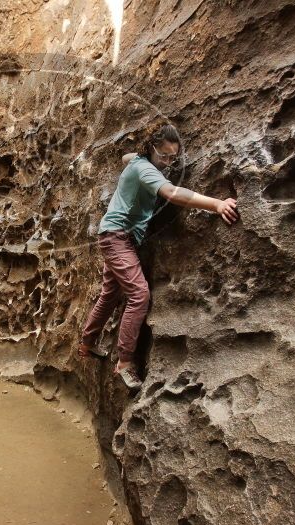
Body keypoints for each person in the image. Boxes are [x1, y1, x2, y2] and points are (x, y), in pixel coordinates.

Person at [78, 124, 238, 389]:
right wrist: (217, 204)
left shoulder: (137, 161)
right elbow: (172, 193)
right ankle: (125, 363)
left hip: (115, 235)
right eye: (163, 155)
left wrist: (146, 160)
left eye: (172, 158)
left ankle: (87, 343)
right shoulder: (144, 169)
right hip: (118, 237)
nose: (167, 162)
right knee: (139, 295)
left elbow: (125, 157)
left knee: (110, 294)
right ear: (151, 148)